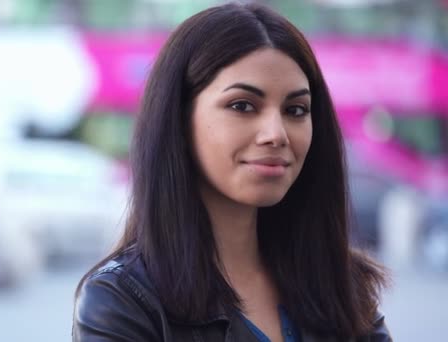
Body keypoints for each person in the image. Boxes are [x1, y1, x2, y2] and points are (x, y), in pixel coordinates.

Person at [72, 3, 391, 341]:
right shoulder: (122, 302)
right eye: (242, 106)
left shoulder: (341, 283)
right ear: (179, 118)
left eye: (295, 110)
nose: (276, 134)